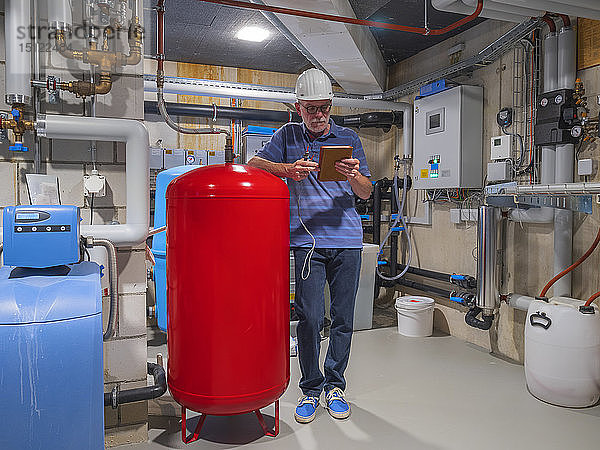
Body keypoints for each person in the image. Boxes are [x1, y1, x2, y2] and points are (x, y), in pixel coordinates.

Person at [247, 68, 372, 423]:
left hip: (347, 241)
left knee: (343, 318)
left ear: (331, 107)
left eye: (324, 108)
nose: (319, 116)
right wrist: (286, 169)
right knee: (310, 317)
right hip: (307, 242)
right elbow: (253, 164)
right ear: (298, 108)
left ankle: (335, 386)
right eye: (311, 109)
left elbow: (365, 191)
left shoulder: (348, 138)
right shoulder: (287, 136)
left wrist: (354, 175)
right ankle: (311, 389)